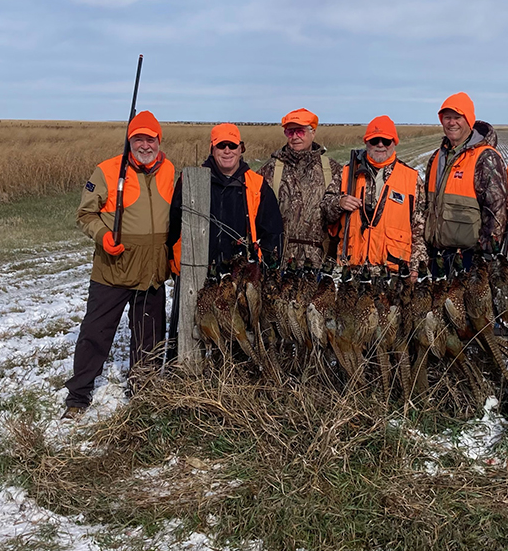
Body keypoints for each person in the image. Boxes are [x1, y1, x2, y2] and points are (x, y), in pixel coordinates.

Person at [63, 111, 174, 419]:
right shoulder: (108, 170)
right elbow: (85, 215)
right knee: (96, 333)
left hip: (151, 271)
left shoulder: (169, 170)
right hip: (113, 267)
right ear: (129, 141)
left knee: (149, 336)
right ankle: (78, 396)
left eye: (150, 139)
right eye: (138, 139)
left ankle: (144, 389)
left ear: (159, 141)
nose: (144, 145)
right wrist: (103, 236)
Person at [168, 123, 283, 274]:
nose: (227, 151)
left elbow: (272, 232)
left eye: (232, 145)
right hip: (195, 272)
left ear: (241, 149)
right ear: (212, 149)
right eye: (221, 146)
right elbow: (174, 227)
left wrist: (260, 268)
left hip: (241, 275)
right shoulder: (191, 180)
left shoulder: (257, 185)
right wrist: (176, 262)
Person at [320, 116, 427, 273]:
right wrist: (339, 203)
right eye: (374, 140)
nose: (380, 145)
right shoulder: (347, 173)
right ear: (366, 142)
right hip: (352, 272)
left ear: (394, 143)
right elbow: (325, 210)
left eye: (386, 141)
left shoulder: (412, 179)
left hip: (393, 274)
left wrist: (416, 268)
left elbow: (419, 230)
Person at [424, 92, 508, 274]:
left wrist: (486, 257)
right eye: (447, 117)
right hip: (438, 255)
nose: (451, 123)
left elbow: (496, 212)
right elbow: (427, 205)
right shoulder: (437, 157)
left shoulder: (485, 157)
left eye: (457, 117)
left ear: (469, 120)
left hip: (470, 258)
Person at [259, 108, 342, 267]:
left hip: (319, 263)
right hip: (278, 263)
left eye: (300, 131)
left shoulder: (332, 170)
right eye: (290, 132)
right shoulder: (270, 169)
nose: (295, 137)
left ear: (313, 132)